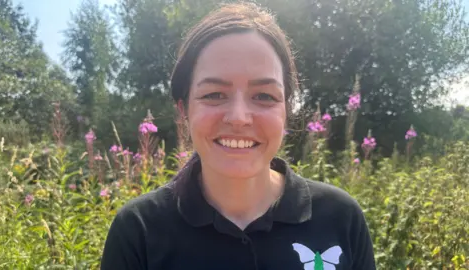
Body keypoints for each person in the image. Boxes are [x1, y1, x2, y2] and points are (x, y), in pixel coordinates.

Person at [100, 2, 376, 269]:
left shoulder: (341, 219)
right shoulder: (138, 232)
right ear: (184, 110)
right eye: (214, 94)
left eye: (264, 96)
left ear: (286, 110)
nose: (239, 117)